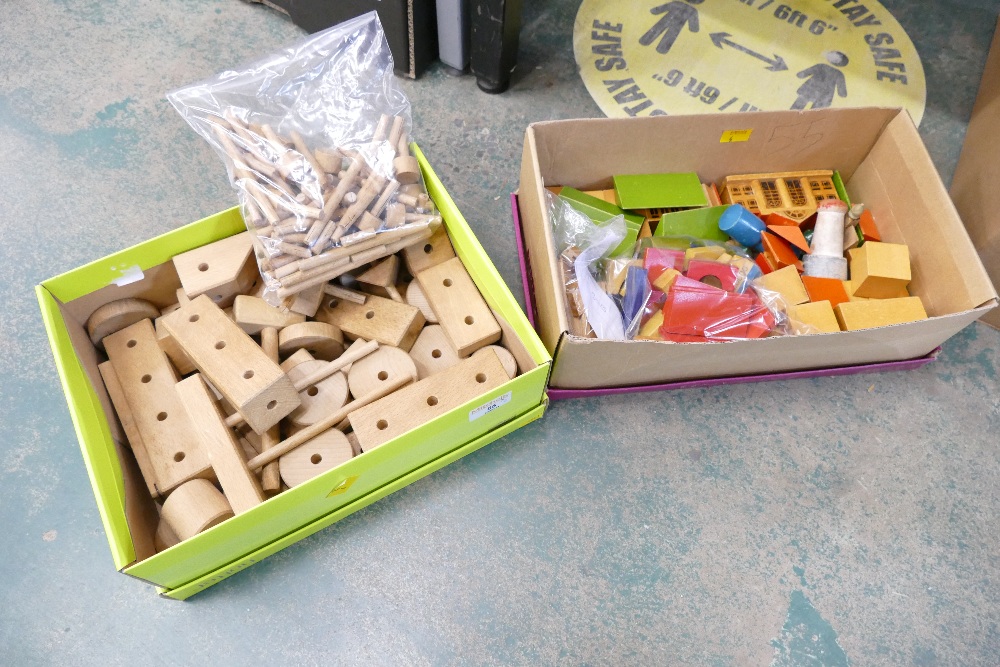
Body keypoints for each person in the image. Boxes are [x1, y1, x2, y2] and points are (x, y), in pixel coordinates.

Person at [639, 0, 704, 55]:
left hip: (668, 21)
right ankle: (662, 49)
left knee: (657, 30)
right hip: (677, 25)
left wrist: (654, 11)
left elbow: (661, 9)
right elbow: (694, 27)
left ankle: (645, 41)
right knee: (670, 35)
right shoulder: (692, 10)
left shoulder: (677, 3)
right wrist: (693, 28)